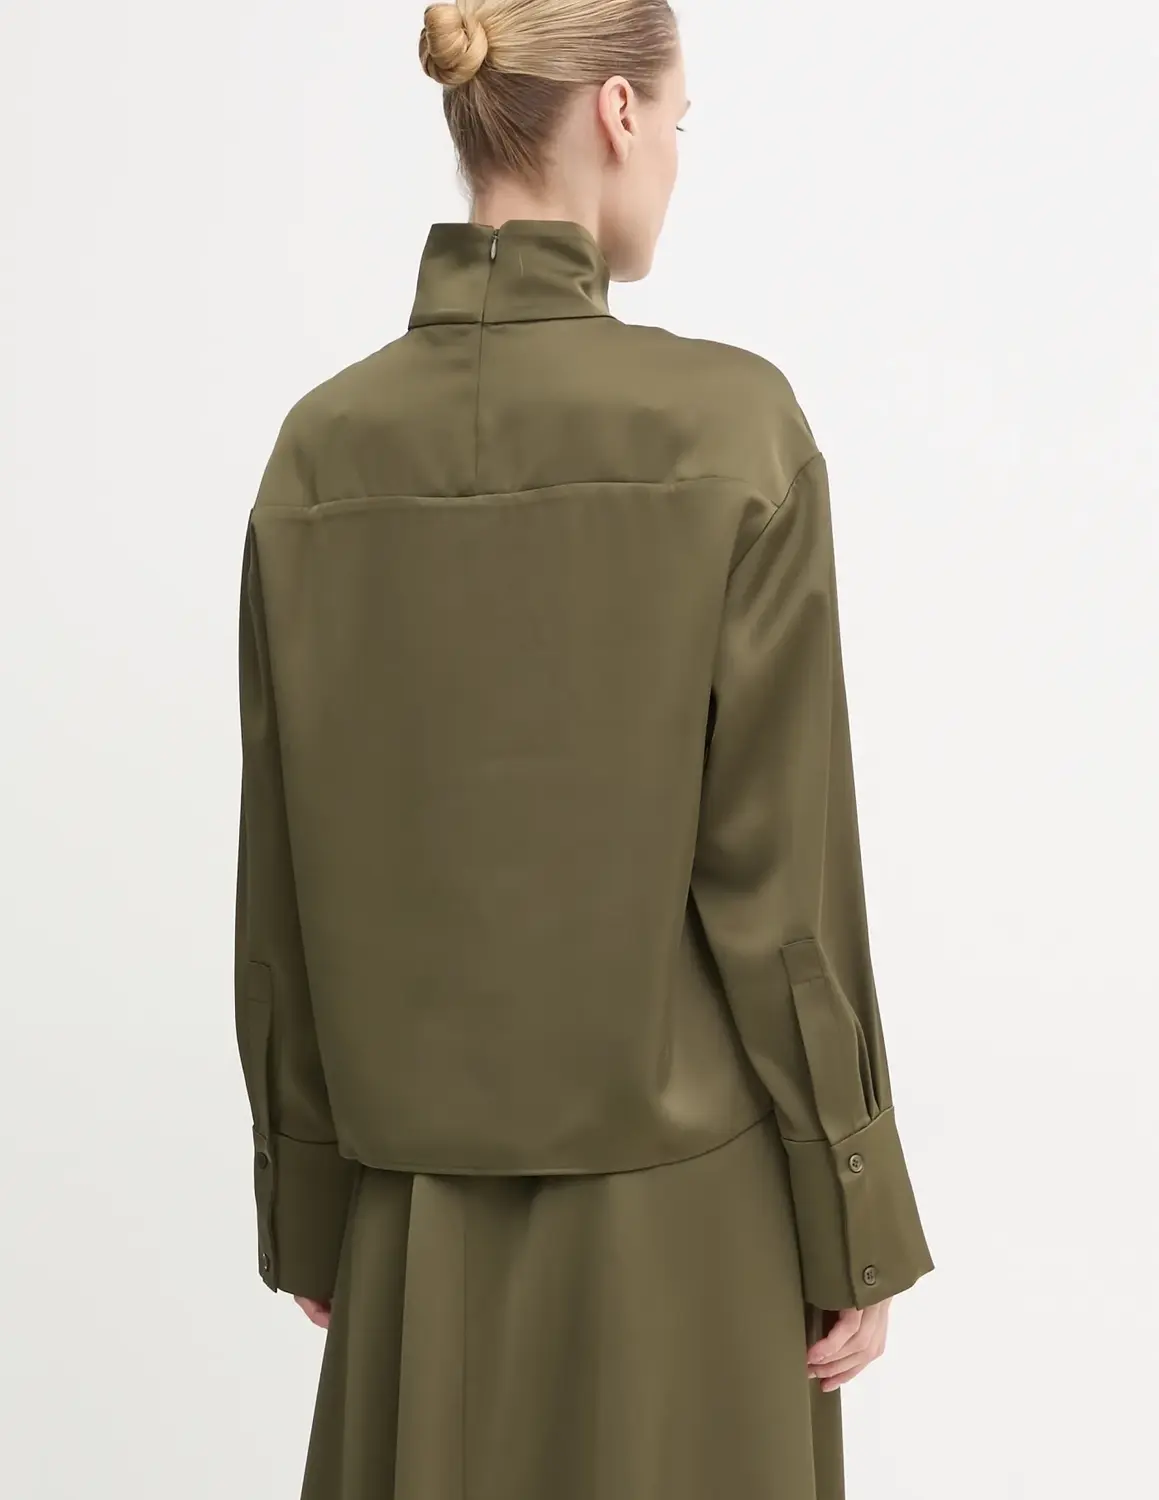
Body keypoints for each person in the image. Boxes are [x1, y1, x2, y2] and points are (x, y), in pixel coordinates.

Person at [232, 2, 935, 1496]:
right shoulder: (729, 429)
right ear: (617, 111)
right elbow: (780, 890)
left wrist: (309, 1202)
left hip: (411, 1229)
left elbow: (279, 881)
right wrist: (853, 1204)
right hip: (691, 1232)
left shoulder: (318, 453)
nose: (674, 154)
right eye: (676, 121)